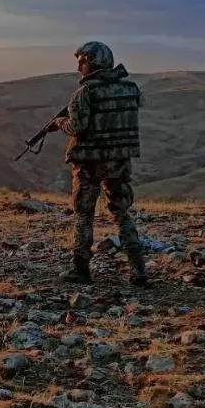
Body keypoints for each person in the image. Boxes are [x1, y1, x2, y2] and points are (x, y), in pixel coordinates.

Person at [46, 41, 148, 286]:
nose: (79, 65)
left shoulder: (85, 92)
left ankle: (81, 270)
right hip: (119, 159)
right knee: (120, 211)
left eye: (83, 60)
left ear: (94, 62)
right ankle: (138, 269)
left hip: (89, 162)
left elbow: (77, 127)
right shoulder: (130, 88)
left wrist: (59, 123)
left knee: (83, 214)